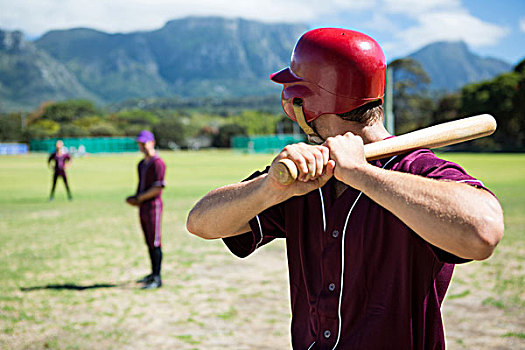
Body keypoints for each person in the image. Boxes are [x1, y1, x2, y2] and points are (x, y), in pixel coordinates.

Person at [186, 28, 505, 349]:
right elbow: (200, 222)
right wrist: (269, 188)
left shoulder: (417, 169)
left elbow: (483, 234)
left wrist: (362, 173)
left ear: (301, 102)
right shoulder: (305, 173)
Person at [126, 130, 166, 289]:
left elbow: (157, 188)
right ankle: (152, 273)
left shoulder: (158, 163)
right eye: (140, 143)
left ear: (152, 143)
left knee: (155, 241)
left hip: (153, 207)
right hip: (143, 206)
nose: (141, 146)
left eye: (145, 143)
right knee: (149, 240)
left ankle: (157, 277)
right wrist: (136, 198)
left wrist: (138, 198)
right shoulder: (142, 164)